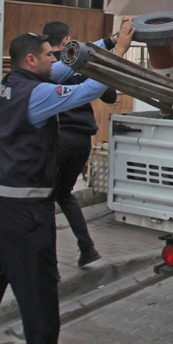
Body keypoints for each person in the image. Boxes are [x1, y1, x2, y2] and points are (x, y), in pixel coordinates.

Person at [0, 20, 134, 344]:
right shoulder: (38, 95)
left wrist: (107, 41)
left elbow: (69, 62)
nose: (56, 58)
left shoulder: (15, 82)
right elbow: (89, 88)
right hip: (22, 207)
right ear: (31, 59)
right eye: (49, 54)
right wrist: (121, 53)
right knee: (39, 282)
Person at [43, 21, 120, 268]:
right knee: (64, 194)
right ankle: (87, 248)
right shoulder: (80, 63)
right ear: (67, 40)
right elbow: (110, 96)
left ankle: (47, 260)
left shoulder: (45, 68)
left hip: (59, 137)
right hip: (82, 140)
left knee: (45, 197)